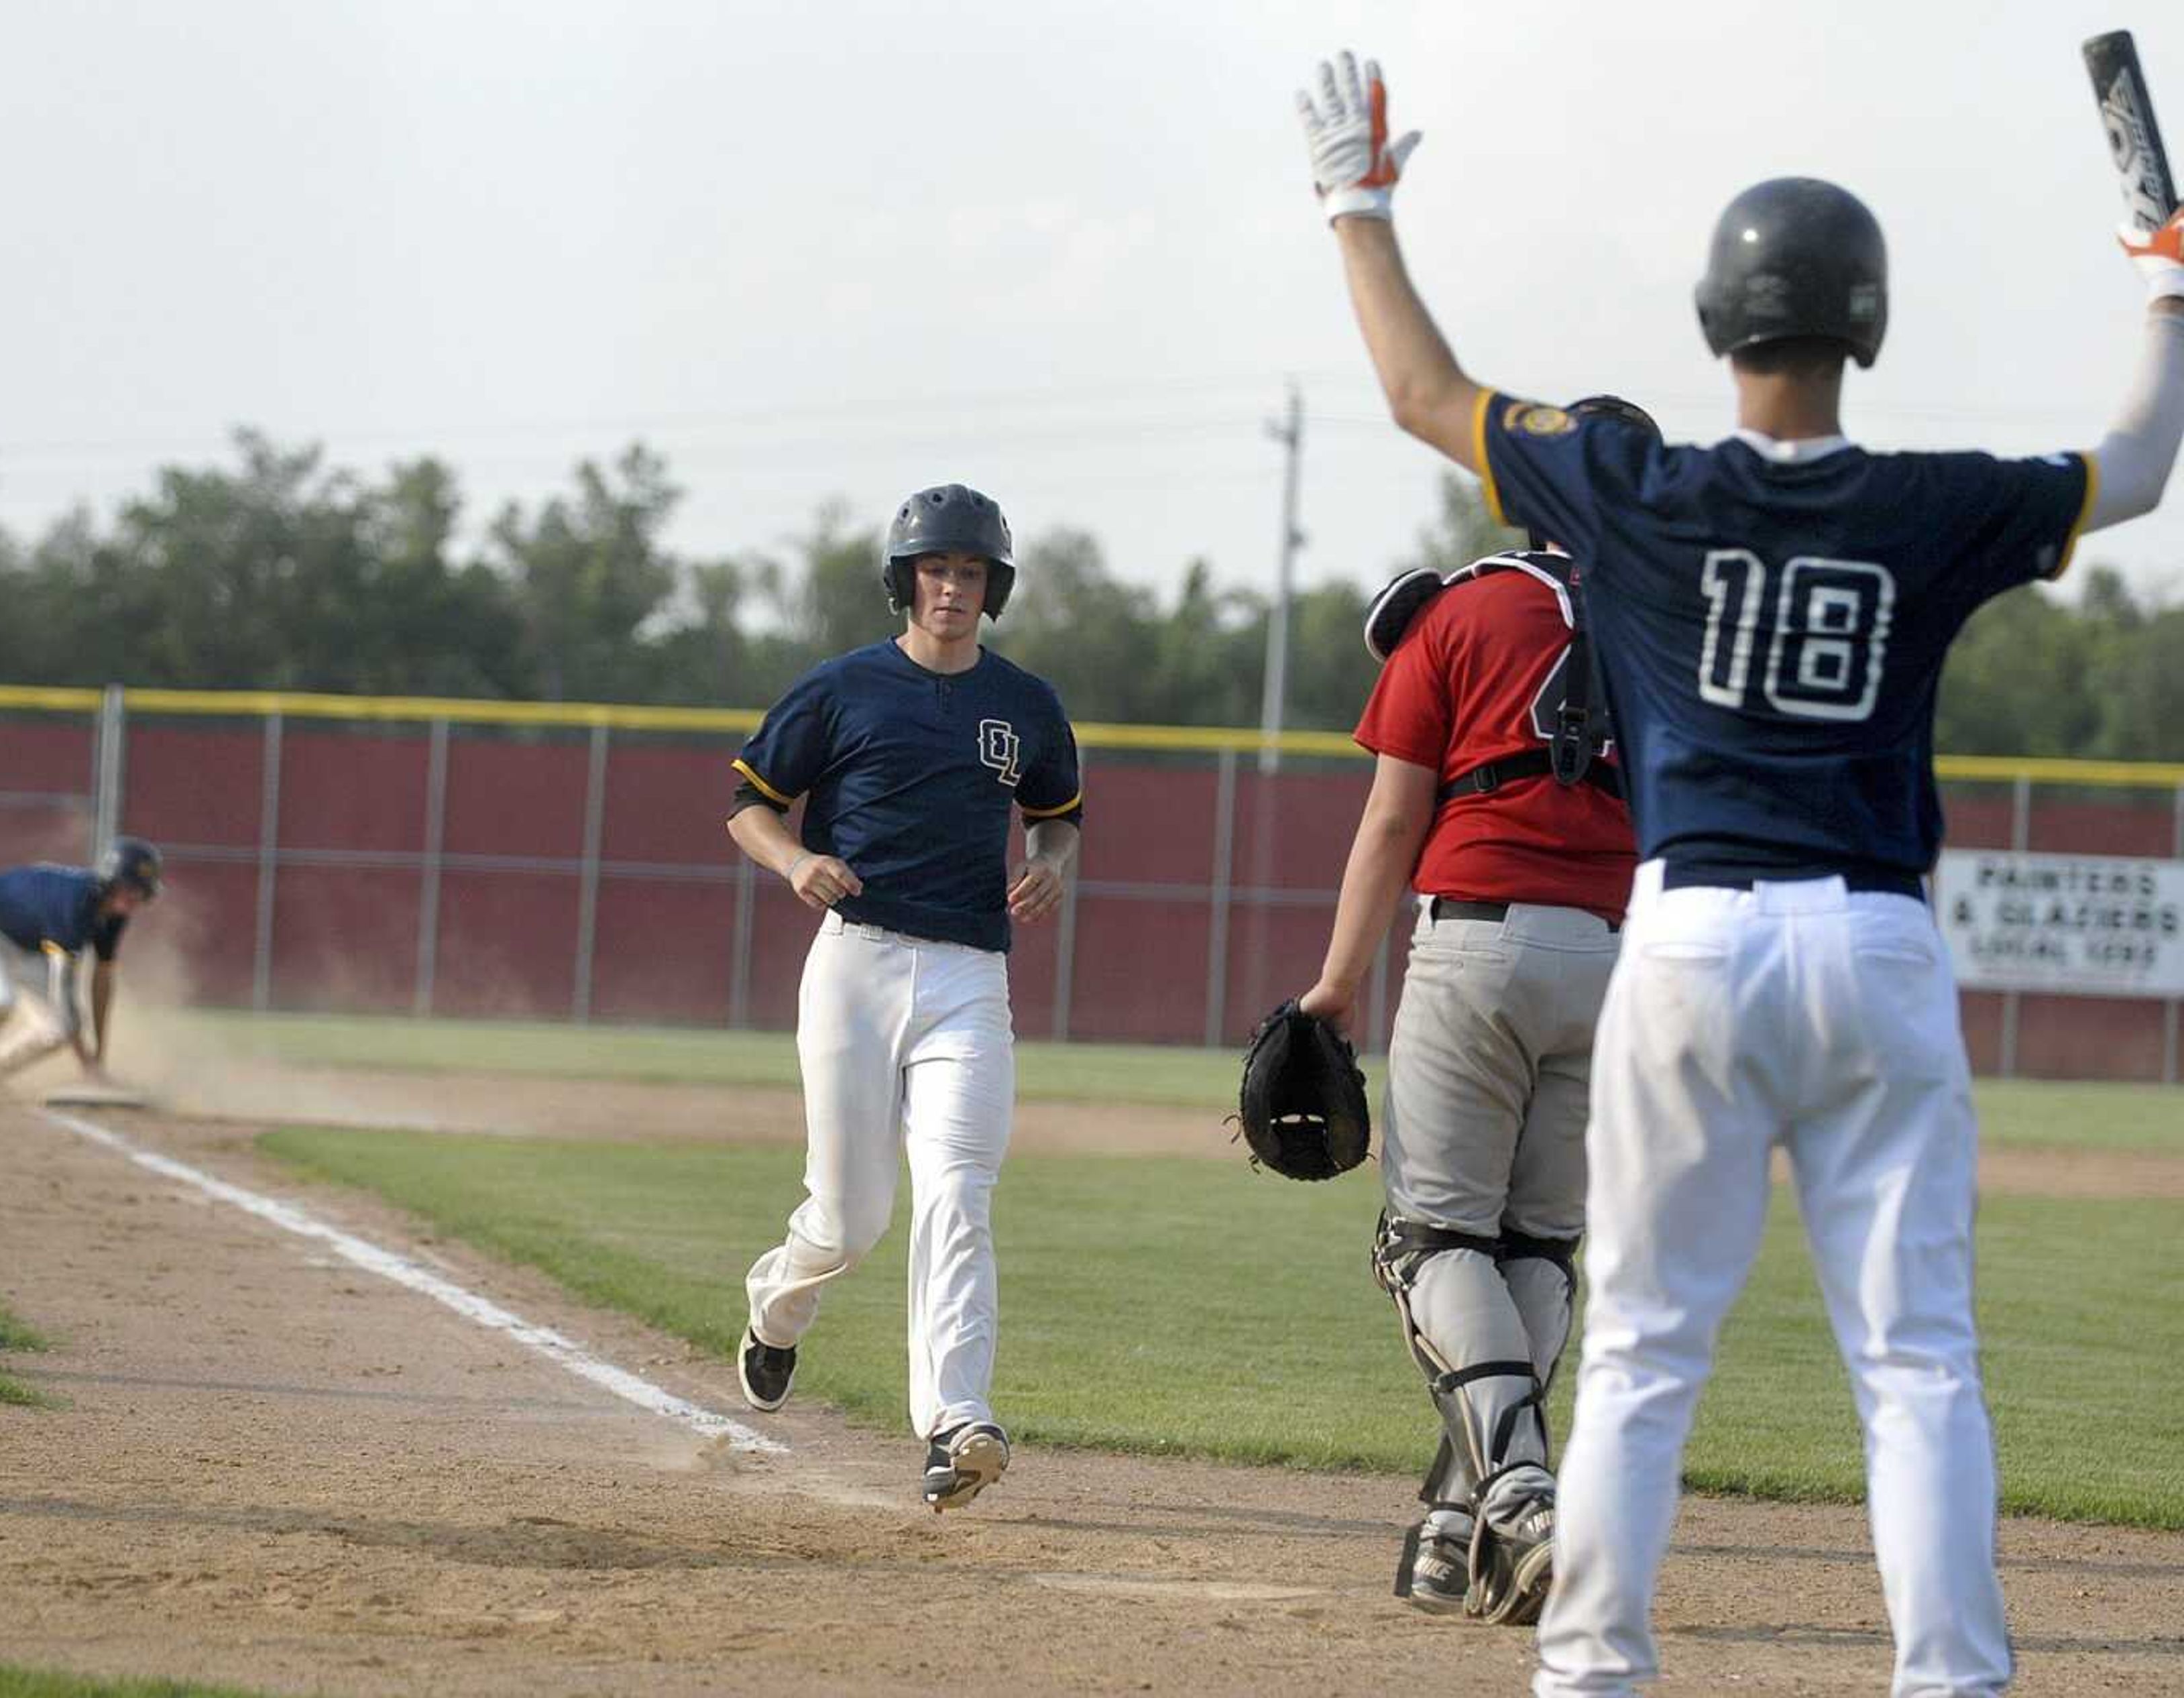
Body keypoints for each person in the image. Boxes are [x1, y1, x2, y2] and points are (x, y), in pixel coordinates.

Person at [1296, 50, 2184, 1695]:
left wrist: (1356, 207)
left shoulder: (1640, 494)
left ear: (1715, 324)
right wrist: (2164, 290)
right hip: (1872, 950)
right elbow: (2133, 469)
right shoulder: (1926, 504)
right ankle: (1949, 1677)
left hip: (1688, 945)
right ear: (1866, 325)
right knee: (1915, 1362)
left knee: (1639, 1349)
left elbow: (1425, 396)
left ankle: (1591, 1669)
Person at [1296, 400, 1651, 1625]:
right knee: (1536, 1250)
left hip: (1479, 942)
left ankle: (1521, 1499)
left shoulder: (1458, 608)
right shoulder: (1676, 626)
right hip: (1619, 958)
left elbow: (1394, 819)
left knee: (1431, 1242)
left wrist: (1338, 982)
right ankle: (1452, 1528)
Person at [726, 483, 1082, 1512]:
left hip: (970, 972)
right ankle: (776, 1312)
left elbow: (1058, 819)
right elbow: (748, 806)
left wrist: (1053, 860)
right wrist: (794, 860)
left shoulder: (1026, 704)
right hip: (857, 962)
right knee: (850, 1217)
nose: (952, 588)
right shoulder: (843, 688)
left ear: (993, 588)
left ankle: (955, 1420)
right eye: (935, 568)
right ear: (905, 580)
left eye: (971, 572)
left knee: (959, 1189)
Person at [0, 837, 163, 1101]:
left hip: (27, 945)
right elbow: (65, 992)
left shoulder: (114, 916)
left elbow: (103, 979)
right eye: (130, 887)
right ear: (111, 880)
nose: (136, 897)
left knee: (58, 1028)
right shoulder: (75, 905)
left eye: (142, 891)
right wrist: (88, 1065)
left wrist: (99, 1056)